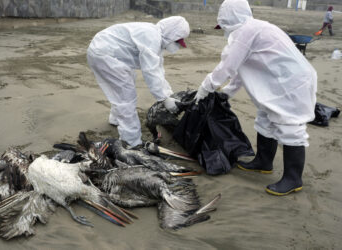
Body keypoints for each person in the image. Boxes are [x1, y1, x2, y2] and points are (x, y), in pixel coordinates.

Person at [195, 0, 317, 196]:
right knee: (265, 119)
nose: (224, 29)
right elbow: (242, 68)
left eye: (224, 24)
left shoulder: (247, 32)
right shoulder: (253, 29)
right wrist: (228, 92)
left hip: (291, 82)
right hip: (278, 81)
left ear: (230, 19)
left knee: (290, 126)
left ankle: (293, 179)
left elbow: (227, 67)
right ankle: (263, 162)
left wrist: (204, 88)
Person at [87, 16, 190, 148]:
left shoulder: (155, 37)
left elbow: (158, 70)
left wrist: (169, 95)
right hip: (105, 54)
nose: (177, 45)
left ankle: (116, 118)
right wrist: (164, 98)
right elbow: (151, 72)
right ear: (171, 34)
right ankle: (131, 141)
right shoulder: (152, 37)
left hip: (105, 51)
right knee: (126, 96)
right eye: (177, 41)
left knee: (124, 85)